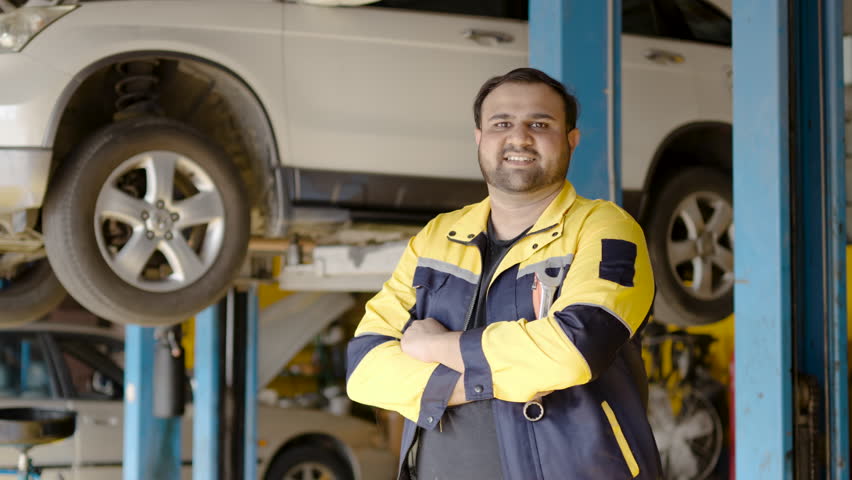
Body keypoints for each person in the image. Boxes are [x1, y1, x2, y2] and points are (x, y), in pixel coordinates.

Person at [346, 67, 662, 480]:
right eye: (502, 123)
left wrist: (438, 346)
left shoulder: (605, 229)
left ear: (571, 140)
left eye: (540, 124)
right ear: (479, 137)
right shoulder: (438, 237)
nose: (519, 137)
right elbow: (365, 369)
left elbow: (573, 351)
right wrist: (495, 378)